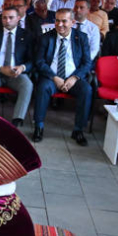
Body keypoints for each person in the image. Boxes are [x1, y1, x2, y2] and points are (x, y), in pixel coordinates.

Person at [33, 8, 93, 145]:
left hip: (73, 78)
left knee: (87, 90)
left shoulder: (81, 37)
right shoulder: (46, 38)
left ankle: (78, 130)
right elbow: (39, 61)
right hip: (51, 77)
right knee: (43, 87)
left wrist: (74, 78)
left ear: (72, 22)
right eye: (57, 21)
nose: (60, 24)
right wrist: (54, 77)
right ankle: (39, 126)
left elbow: (87, 63)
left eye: (64, 21)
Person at [0, 6, 34, 127]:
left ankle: (16, 121)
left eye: (11, 18)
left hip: (15, 73)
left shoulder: (26, 36)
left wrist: (22, 68)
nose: (7, 21)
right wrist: (0, 68)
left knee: (27, 84)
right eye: (4, 18)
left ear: (18, 18)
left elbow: (32, 60)